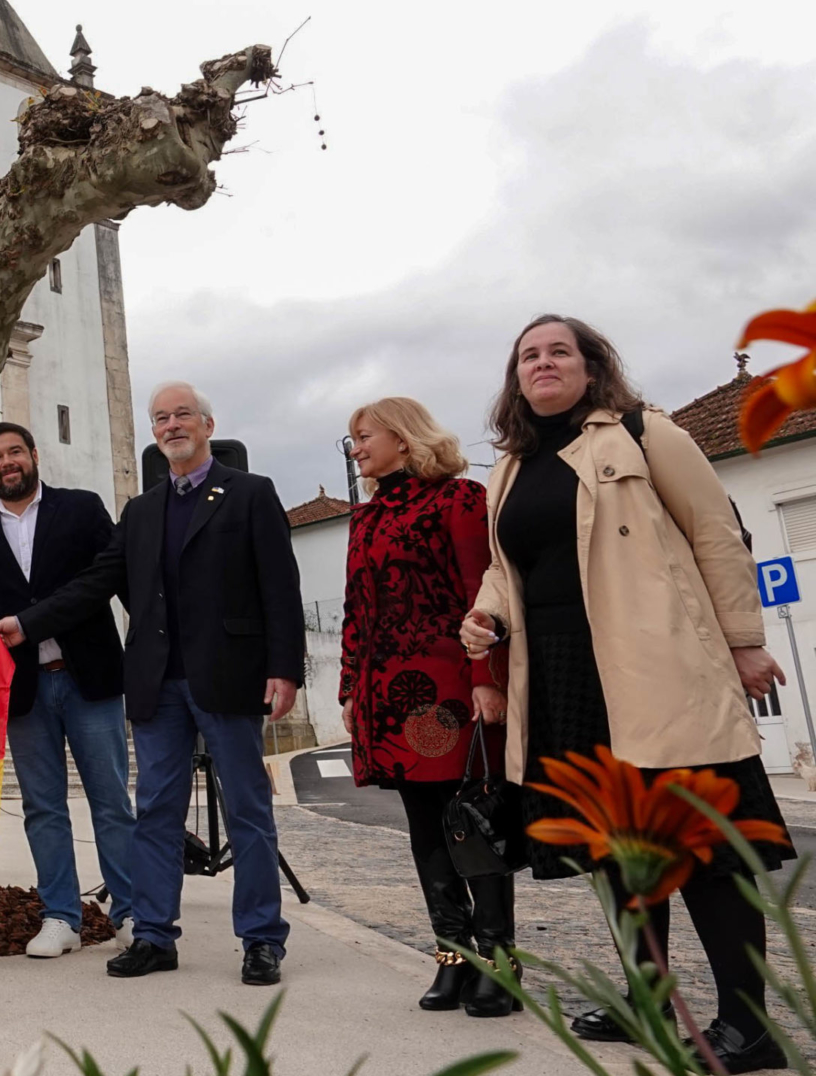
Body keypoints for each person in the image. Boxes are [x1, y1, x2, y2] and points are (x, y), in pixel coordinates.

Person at [462, 314, 798, 1072]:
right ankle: (645, 999)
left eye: (560, 352)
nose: (543, 363)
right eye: (529, 355)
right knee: (613, 851)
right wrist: (486, 613)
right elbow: (503, 567)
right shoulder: (510, 468)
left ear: (591, 367)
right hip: (561, 680)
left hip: (657, 672)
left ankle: (747, 1025)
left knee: (702, 850)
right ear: (516, 378)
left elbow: (716, 532)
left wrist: (744, 643)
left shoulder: (648, 433)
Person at [0, 381, 304, 985]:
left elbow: (280, 590)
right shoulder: (140, 511)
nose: (170, 425)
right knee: (155, 810)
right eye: (160, 418)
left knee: (247, 811)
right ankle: (155, 935)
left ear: (207, 424)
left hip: (230, 680)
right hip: (157, 686)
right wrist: (26, 625)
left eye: (182, 414)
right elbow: (94, 584)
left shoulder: (250, 494)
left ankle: (262, 939)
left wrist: (284, 667)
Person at [339, 397, 513, 1017]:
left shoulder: (460, 498)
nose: (356, 447)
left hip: (448, 688)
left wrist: (486, 678)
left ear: (404, 438)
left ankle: (499, 962)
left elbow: (481, 594)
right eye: (353, 438)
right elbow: (355, 612)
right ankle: (453, 957)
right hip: (387, 695)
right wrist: (348, 692)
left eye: (364, 436)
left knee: (471, 822)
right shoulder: (365, 517)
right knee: (424, 828)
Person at [0, 422, 135, 959]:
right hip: (22, 689)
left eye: (14, 452)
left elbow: (113, 581)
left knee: (110, 801)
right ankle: (61, 917)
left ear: (33, 455)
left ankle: (128, 911)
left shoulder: (81, 508)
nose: (6, 463)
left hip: (90, 680)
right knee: (43, 806)